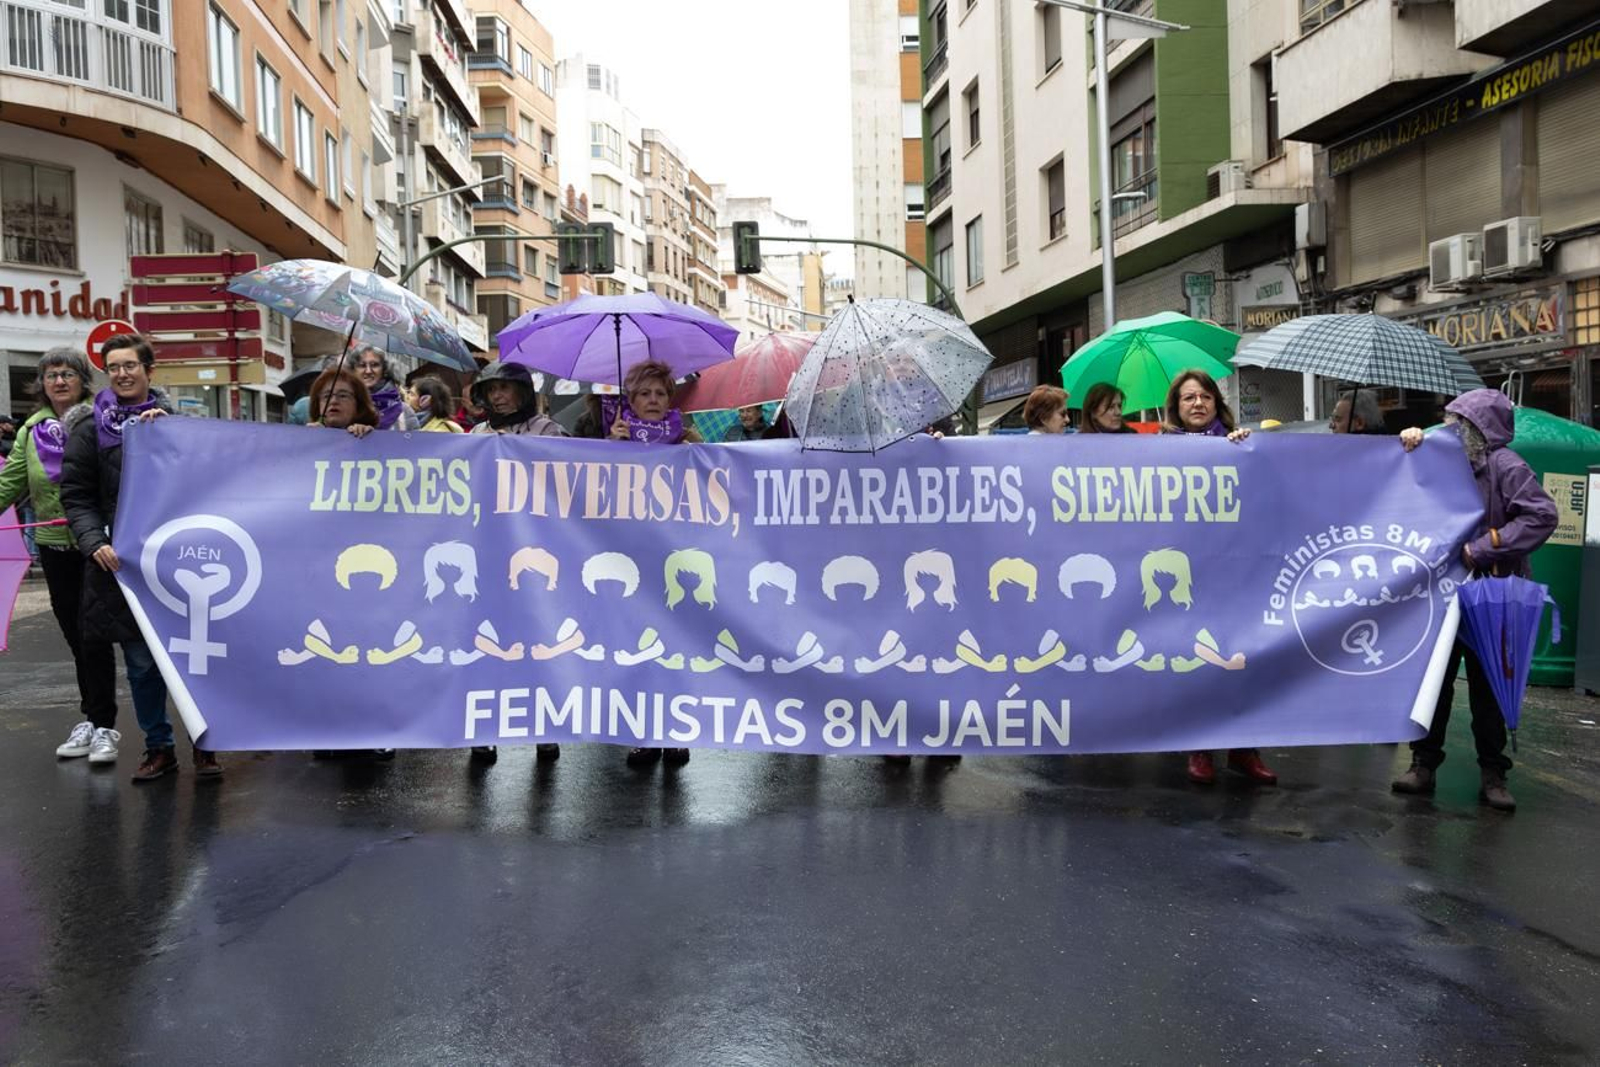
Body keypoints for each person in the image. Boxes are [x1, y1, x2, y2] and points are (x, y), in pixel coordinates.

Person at [59, 334, 222, 781]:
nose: (122, 374)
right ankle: (159, 748)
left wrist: (167, 434)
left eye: (130, 365)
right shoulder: (89, 430)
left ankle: (206, 745)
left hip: (181, 564)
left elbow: (208, 480)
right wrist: (94, 542)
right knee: (142, 666)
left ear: (150, 370)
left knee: (193, 665)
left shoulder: (175, 424)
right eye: (113, 367)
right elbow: (76, 496)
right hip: (122, 568)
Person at [1394, 390, 1557, 811]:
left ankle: (1493, 773)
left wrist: (1484, 548)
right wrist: (1412, 438)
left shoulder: (1508, 466)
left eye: (1458, 424)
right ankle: (1423, 764)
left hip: (1494, 593)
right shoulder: (1445, 457)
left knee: (1489, 687)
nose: (1449, 431)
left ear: (1477, 430)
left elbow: (1541, 515)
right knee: (1434, 683)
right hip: (1444, 593)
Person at [0, 349, 121, 763]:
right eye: (51, 374)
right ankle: (92, 718)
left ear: (83, 380)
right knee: (75, 636)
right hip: (54, 550)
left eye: (68, 373)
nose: (59, 381)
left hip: (98, 547)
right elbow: (10, 482)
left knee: (94, 636)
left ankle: (104, 724)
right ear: (41, 383)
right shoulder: (30, 431)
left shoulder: (100, 418)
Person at [1159, 370, 1273, 786]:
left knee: (1242, 658)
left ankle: (1244, 748)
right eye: (1188, 397)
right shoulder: (1160, 449)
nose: (1197, 403)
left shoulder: (1239, 443)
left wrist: (1246, 451)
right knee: (1197, 658)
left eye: (1205, 396)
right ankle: (1200, 747)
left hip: (1236, 571)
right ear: (1177, 405)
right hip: (1188, 571)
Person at [468, 361, 565, 763]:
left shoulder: (547, 431)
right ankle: (482, 728)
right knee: (487, 639)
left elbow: (566, 476)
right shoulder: (475, 435)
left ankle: (544, 727)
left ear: (522, 392)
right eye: (491, 390)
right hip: (488, 551)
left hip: (535, 552)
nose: (497, 396)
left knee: (538, 640)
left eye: (505, 388)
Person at [606, 360, 698, 767]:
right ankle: (643, 734)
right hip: (633, 563)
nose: (654, 400)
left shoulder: (689, 441)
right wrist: (612, 448)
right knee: (637, 649)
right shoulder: (617, 438)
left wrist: (696, 457)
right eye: (645, 393)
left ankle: (676, 731)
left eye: (661, 393)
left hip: (676, 560)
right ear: (631, 400)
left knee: (676, 650)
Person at [349, 345, 421, 431]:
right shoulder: (344, 407)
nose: (368, 371)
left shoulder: (404, 411)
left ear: (384, 369)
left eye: (374, 365)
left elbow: (416, 443)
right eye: (362, 365)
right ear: (353, 370)